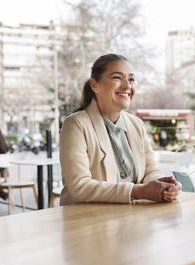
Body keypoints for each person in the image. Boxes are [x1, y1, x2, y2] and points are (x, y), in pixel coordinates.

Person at [60, 54, 182, 204]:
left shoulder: (136, 124)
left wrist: (163, 187)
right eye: (117, 78)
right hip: (88, 222)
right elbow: (81, 187)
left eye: (131, 79)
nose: (127, 86)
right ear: (94, 85)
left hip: (131, 219)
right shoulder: (75, 124)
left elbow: (151, 171)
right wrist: (139, 191)